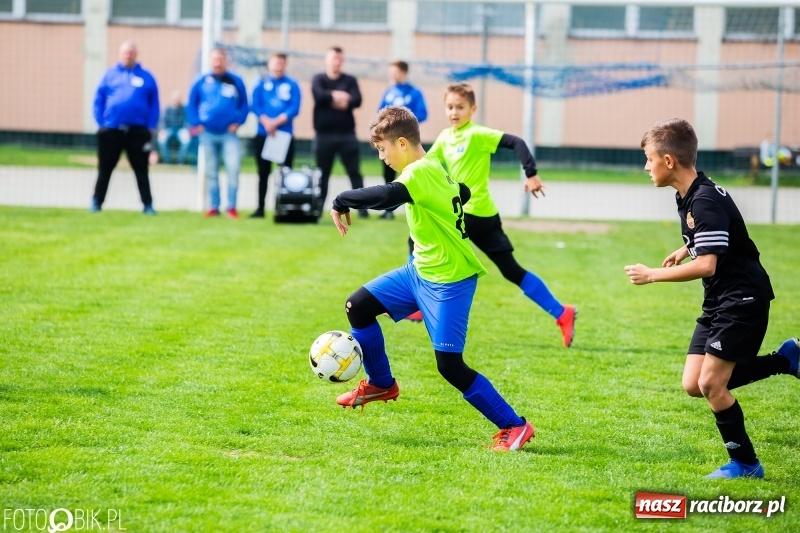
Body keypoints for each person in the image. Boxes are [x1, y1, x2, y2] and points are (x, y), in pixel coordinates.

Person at [329, 106, 535, 452]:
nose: (382, 157)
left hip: (449, 281)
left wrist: (340, 199)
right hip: (418, 271)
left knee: (450, 366)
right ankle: (382, 383)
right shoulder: (433, 168)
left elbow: (387, 196)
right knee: (358, 306)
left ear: (404, 143)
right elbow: (464, 192)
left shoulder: (419, 173)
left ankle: (515, 426)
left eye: (383, 149)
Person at [625, 117, 800, 479]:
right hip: (720, 301)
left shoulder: (703, 200)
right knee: (694, 384)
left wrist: (653, 274)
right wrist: (683, 248)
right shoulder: (690, 193)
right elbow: (709, 237)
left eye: (649, 159)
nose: (646, 166)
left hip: (742, 299)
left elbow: (708, 264)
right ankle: (785, 359)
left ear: (668, 161)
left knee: (711, 385)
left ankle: (746, 464)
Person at [423, 83, 576, 346]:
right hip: (472, 215)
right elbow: (425, 163)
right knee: (511, 271)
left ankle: (417, 304)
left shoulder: (477, 134)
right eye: (450, 107)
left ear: (473, 109)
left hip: (476, 214)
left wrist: (531, 173)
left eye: (460, 107)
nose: (454, 112)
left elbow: (517, 141)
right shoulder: (445, 137)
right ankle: (562, 313)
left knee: (421, 241)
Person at [90, 40, 159, 215]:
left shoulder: (146, 77)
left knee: (141, 169)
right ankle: (97, 202)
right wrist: (102, 124)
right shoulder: (109, 75)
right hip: (111, 130)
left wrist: (150, 126)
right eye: (124, 53)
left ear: (136, 54)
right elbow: (98, 100)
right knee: (105, 168)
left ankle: (148, 205)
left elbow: (154, 104)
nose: (128, 55)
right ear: (120, 54)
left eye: (131, 53)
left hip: (138, 131)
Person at [186, 47, 249, 219]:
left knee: (233, 170)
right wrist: (196, 123)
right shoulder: (201, 81)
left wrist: (238, 122)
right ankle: (214, 207)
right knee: (211, 171)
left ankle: (231, 207)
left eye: (221, 59)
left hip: (229, 134)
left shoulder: (235, 81)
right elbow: (191, 104)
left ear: (226, 61)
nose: (218, 62)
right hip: (207, 134)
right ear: (210, 61)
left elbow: (244, 104)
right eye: (214, 59)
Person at [311, 46, 367, 218]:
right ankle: (318, 209)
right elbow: (320, 97)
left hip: (346, 135)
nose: (336, 62)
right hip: (324, 136)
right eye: (332, 58)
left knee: (354, 172)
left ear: (342, 61)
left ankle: (363, 209)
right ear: (327, 60)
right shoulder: (318, 79)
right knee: (323, 174)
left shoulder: (350, 80)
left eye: (338, 59)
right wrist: (341, 97)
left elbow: (357, 100)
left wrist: (331, 99)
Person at [249, 52, 302, 219]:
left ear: (285, 65)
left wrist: (276, 122)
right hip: (263, 134)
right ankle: (260, 208)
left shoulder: (292, 84)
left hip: (284, 135)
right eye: (275, 63)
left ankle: (284, 208)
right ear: (269, 65)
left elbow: (294, 108)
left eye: (281, 63)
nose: (278, 67)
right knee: (263, 173)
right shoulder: (261, 83)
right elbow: (255, 105)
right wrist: (266, 122)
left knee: (285, 173)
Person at [375, 60, 428, 219]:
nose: (392, 75)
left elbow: (423, 113)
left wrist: (403, 121)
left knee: (411, 173)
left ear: (404, 73)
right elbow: (380, 113)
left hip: (407, 142)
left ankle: (417, 206)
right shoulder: (388, 92)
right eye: (390, 72)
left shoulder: (414, 93)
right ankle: (388, 210)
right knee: (388, 173)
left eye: (395, 72)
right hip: (389, 142)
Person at [157, 89, 191, 165]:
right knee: (161, 140)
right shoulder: (167, 109)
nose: (176, 100)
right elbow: (162, 121)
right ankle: (167, 160)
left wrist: (186, 130)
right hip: (168, 129)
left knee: (186, 140)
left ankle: (180, 160)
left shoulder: (183, 109)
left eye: (178, 99)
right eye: (175, 99)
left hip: (180, 130)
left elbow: (186, 121)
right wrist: (162, 130)